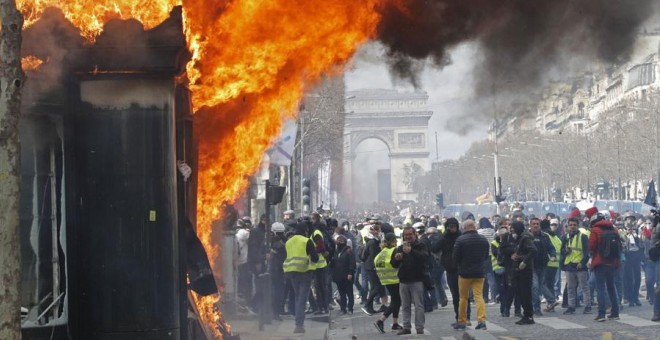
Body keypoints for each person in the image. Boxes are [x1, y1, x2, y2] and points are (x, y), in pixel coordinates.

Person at [452, 219, 490, 330]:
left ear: (465, 227)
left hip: (464, 273)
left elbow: (455, 257)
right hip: (479, 273)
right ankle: (482, 321)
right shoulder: (483, 240)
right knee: (479, 297)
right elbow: (486, 256)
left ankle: (462, 321)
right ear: (474, 227)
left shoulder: (460, 240)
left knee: (463, 298)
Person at [391, 226, 429, 335]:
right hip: (403, 280)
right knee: (405, 306)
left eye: (410, 234)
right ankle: (406, 327)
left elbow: (425, 257)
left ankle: (419, 328)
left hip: (417, 280)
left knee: (419, 306)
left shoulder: (420, 245)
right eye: (406, 235)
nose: (408, 236)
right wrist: (396, 259)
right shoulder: (400, 247)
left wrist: (411, 251)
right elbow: (393, 264)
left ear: (415, 234)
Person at [283, 223, 319, 334]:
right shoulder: (306, 241)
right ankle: (299, 325)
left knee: (297, 297)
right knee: (302, 299)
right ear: (305, 231)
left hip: (292, 273)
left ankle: (297, 321)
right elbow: (315, 258)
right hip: (304, 272)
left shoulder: (289, 241)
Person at [433, 218, 470, 325]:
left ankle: (466, 317)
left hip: (462, 269)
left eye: (454, 226)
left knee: (463, 295)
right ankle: (458, 317)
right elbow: (434, 248)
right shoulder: (444, 237)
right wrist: (443, 236)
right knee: (455, 296)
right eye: (450, 226)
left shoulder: (461, 236)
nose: (452, 228)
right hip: (450, 270)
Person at [588, 210, 621, 322]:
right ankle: (615, 312)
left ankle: (601, 314)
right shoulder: (614, 229)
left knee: (600, 288)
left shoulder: (595, 230)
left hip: (600, 262)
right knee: (611, 287)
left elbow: (591, 246)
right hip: (612, 262)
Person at [373, 233, 403, 333]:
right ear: (392, 241)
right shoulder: (394, 251)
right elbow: (397, 263)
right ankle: (381, 320)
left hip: (385, 280)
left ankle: (395, 323)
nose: (397, 242)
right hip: (395, 279)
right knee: (396, 302)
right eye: (395, 240)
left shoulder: (380, 253)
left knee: (396, 301)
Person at [510, 221, 537, 325]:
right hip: (520, 270)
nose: (511, 230)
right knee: (521, 293)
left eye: (513, 228)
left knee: (525, 294)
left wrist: (524, 261)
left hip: (525, 270)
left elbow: (533, 251)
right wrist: (517, 256)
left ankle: (528, 316)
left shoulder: (525, 238)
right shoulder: (521, 238)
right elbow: (524, 252)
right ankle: (526, 315)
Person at [529, 218, 557, 315]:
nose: (536, 225)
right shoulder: (527, 236)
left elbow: (551, 248)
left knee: (540, 286)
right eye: (534, 224)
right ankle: (536, 308)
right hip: (531, 266)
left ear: (540, 225)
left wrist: (553, 255)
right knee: (535, 286)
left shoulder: (545, 236)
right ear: (530, 225)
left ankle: (551, 300)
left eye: (537, 224)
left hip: (543, 265)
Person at [361, 223, 385, 315]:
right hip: (373, 267)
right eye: (377, 230)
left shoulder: (372, 241)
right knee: (376, 287)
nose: (379, 232)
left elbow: (364, 256)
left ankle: (370, 308)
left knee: (374, 287)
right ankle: (367, 305)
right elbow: (374, 256)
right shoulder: (373, 243)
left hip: (370, 266)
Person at [330, 235, 355, 315]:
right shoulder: (336, 251)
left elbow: (352, 263)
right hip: (338, 276)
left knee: (349, 292)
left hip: (347, 275)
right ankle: (343, 309)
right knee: (342, 293)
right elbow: (333, 264)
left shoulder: (348, 250)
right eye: (338, 241)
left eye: (341, 241)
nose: (339, 243)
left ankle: (350, 308)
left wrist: (350, 273)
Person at [269, 222, 288, 320]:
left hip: (276, 270)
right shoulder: (284, 241)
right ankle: (276, 312)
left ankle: (276, 312)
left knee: (276, 292)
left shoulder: (276, 242)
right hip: (279, 270)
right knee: (278, 292)